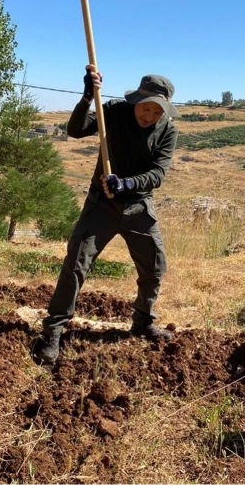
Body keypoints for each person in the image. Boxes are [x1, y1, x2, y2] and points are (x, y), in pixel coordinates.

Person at [34, 65, 179, 364]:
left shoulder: (168, 130)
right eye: (146, 108)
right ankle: (54, 330)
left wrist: (126, 183)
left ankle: (142, 322)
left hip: (139, 206)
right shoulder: (112, 110)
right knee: (76, 264)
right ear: (136, 100)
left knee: (155, 267)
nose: (149, 116)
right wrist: (87, 97)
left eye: (156, 112)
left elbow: (158, 173)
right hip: (102, 206)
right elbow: (74, 131)